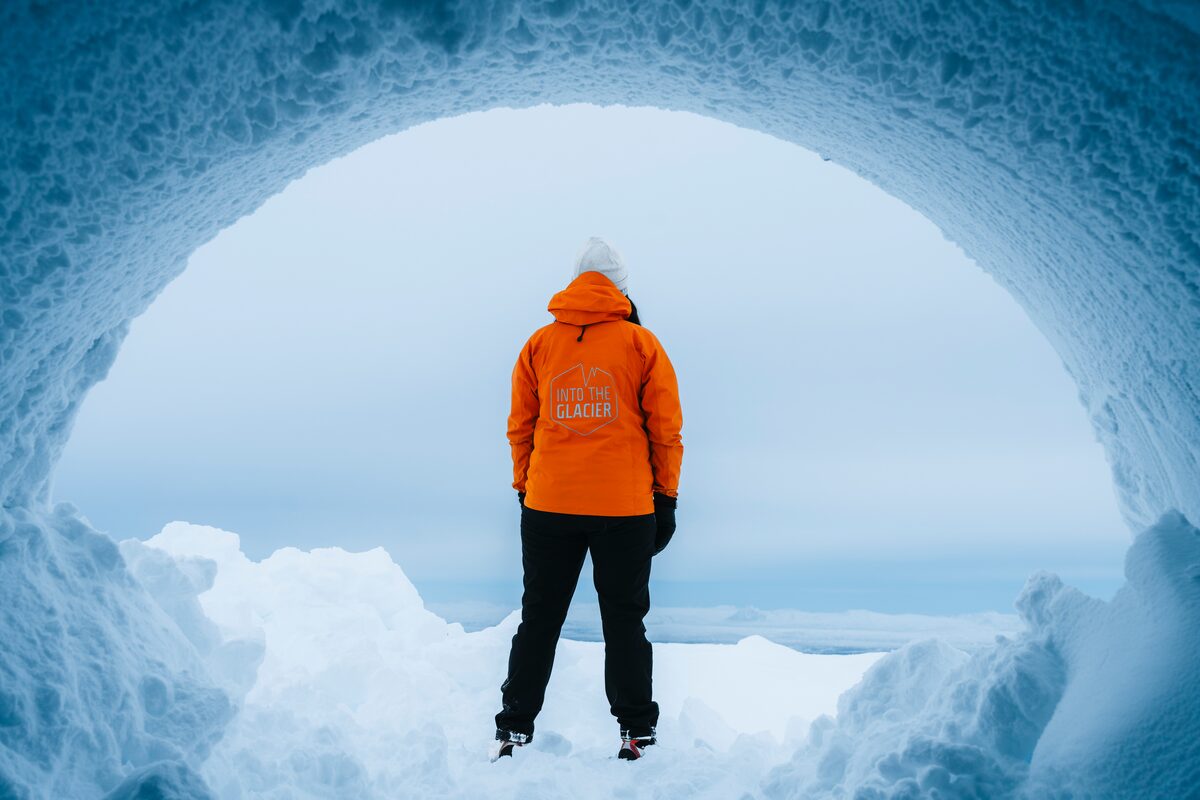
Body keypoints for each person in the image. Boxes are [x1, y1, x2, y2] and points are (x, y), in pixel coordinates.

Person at [492, 237, 683, 762]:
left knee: (540, 617)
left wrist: (524, 486)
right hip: (625, 510)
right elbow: (666, 430)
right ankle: (635, 732)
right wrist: (665, 497)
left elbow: (520, 427)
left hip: (549, 504)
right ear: (622, 288)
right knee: (624, 620)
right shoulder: (641, 343)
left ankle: (513, 728)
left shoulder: (539, 344)